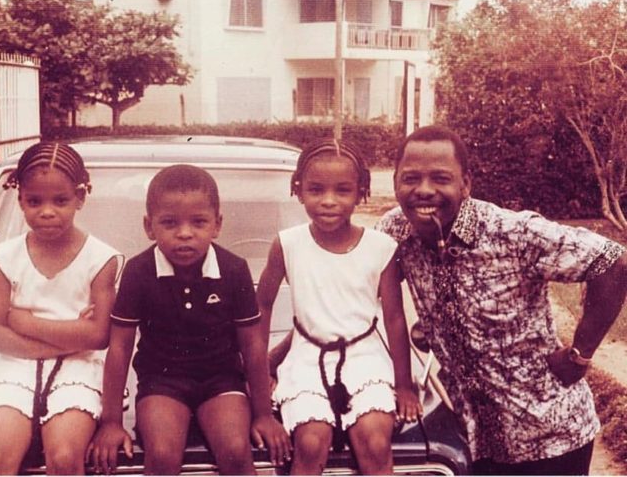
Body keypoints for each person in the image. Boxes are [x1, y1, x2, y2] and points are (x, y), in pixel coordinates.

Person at [375, 124, 627, 475]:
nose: (424, 190)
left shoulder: (513, 233)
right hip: (472, 440)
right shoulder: (395, 231)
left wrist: (580, 354)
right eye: (411, 178)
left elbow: (614, 263)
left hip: (549, 436)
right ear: (396, 182)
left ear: (466, 184)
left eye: (440, 178)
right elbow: (350, 293)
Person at [88, 164, 291, 475]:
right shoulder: (138, 272)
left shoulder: (234, 269)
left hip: (222, 381)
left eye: (198, 222)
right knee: (162, 453)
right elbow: (119, 348)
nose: (184, 233)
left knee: (237, 452)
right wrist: (111, 422)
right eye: (169, 223)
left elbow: (252, 346)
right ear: (149, 226)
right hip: (161, 382)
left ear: (217, 224)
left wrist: (264, 414)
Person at [259, 139, 422, 475]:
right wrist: (261, 371)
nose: (329, 201)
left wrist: (404, 385)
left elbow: (393, 318)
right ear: (298, 190)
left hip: (366, 359)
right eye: (316, 190)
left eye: (343, 190)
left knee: (376, 443)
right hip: (307, 359)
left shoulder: (381, 247)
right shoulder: (288, 243)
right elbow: (260, 305)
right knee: (310, 442)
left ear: (361, 192)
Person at [0, 142, 122, 474]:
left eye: (61, 200)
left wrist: (22, 321)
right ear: (20, 201)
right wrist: (73, 334)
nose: (46, 211)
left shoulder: (101, 259)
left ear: (80, 198)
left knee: (65, 455)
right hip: (16, 369)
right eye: (34, 201)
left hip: (79, 369)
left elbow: (99, 336)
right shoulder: (5, 257)